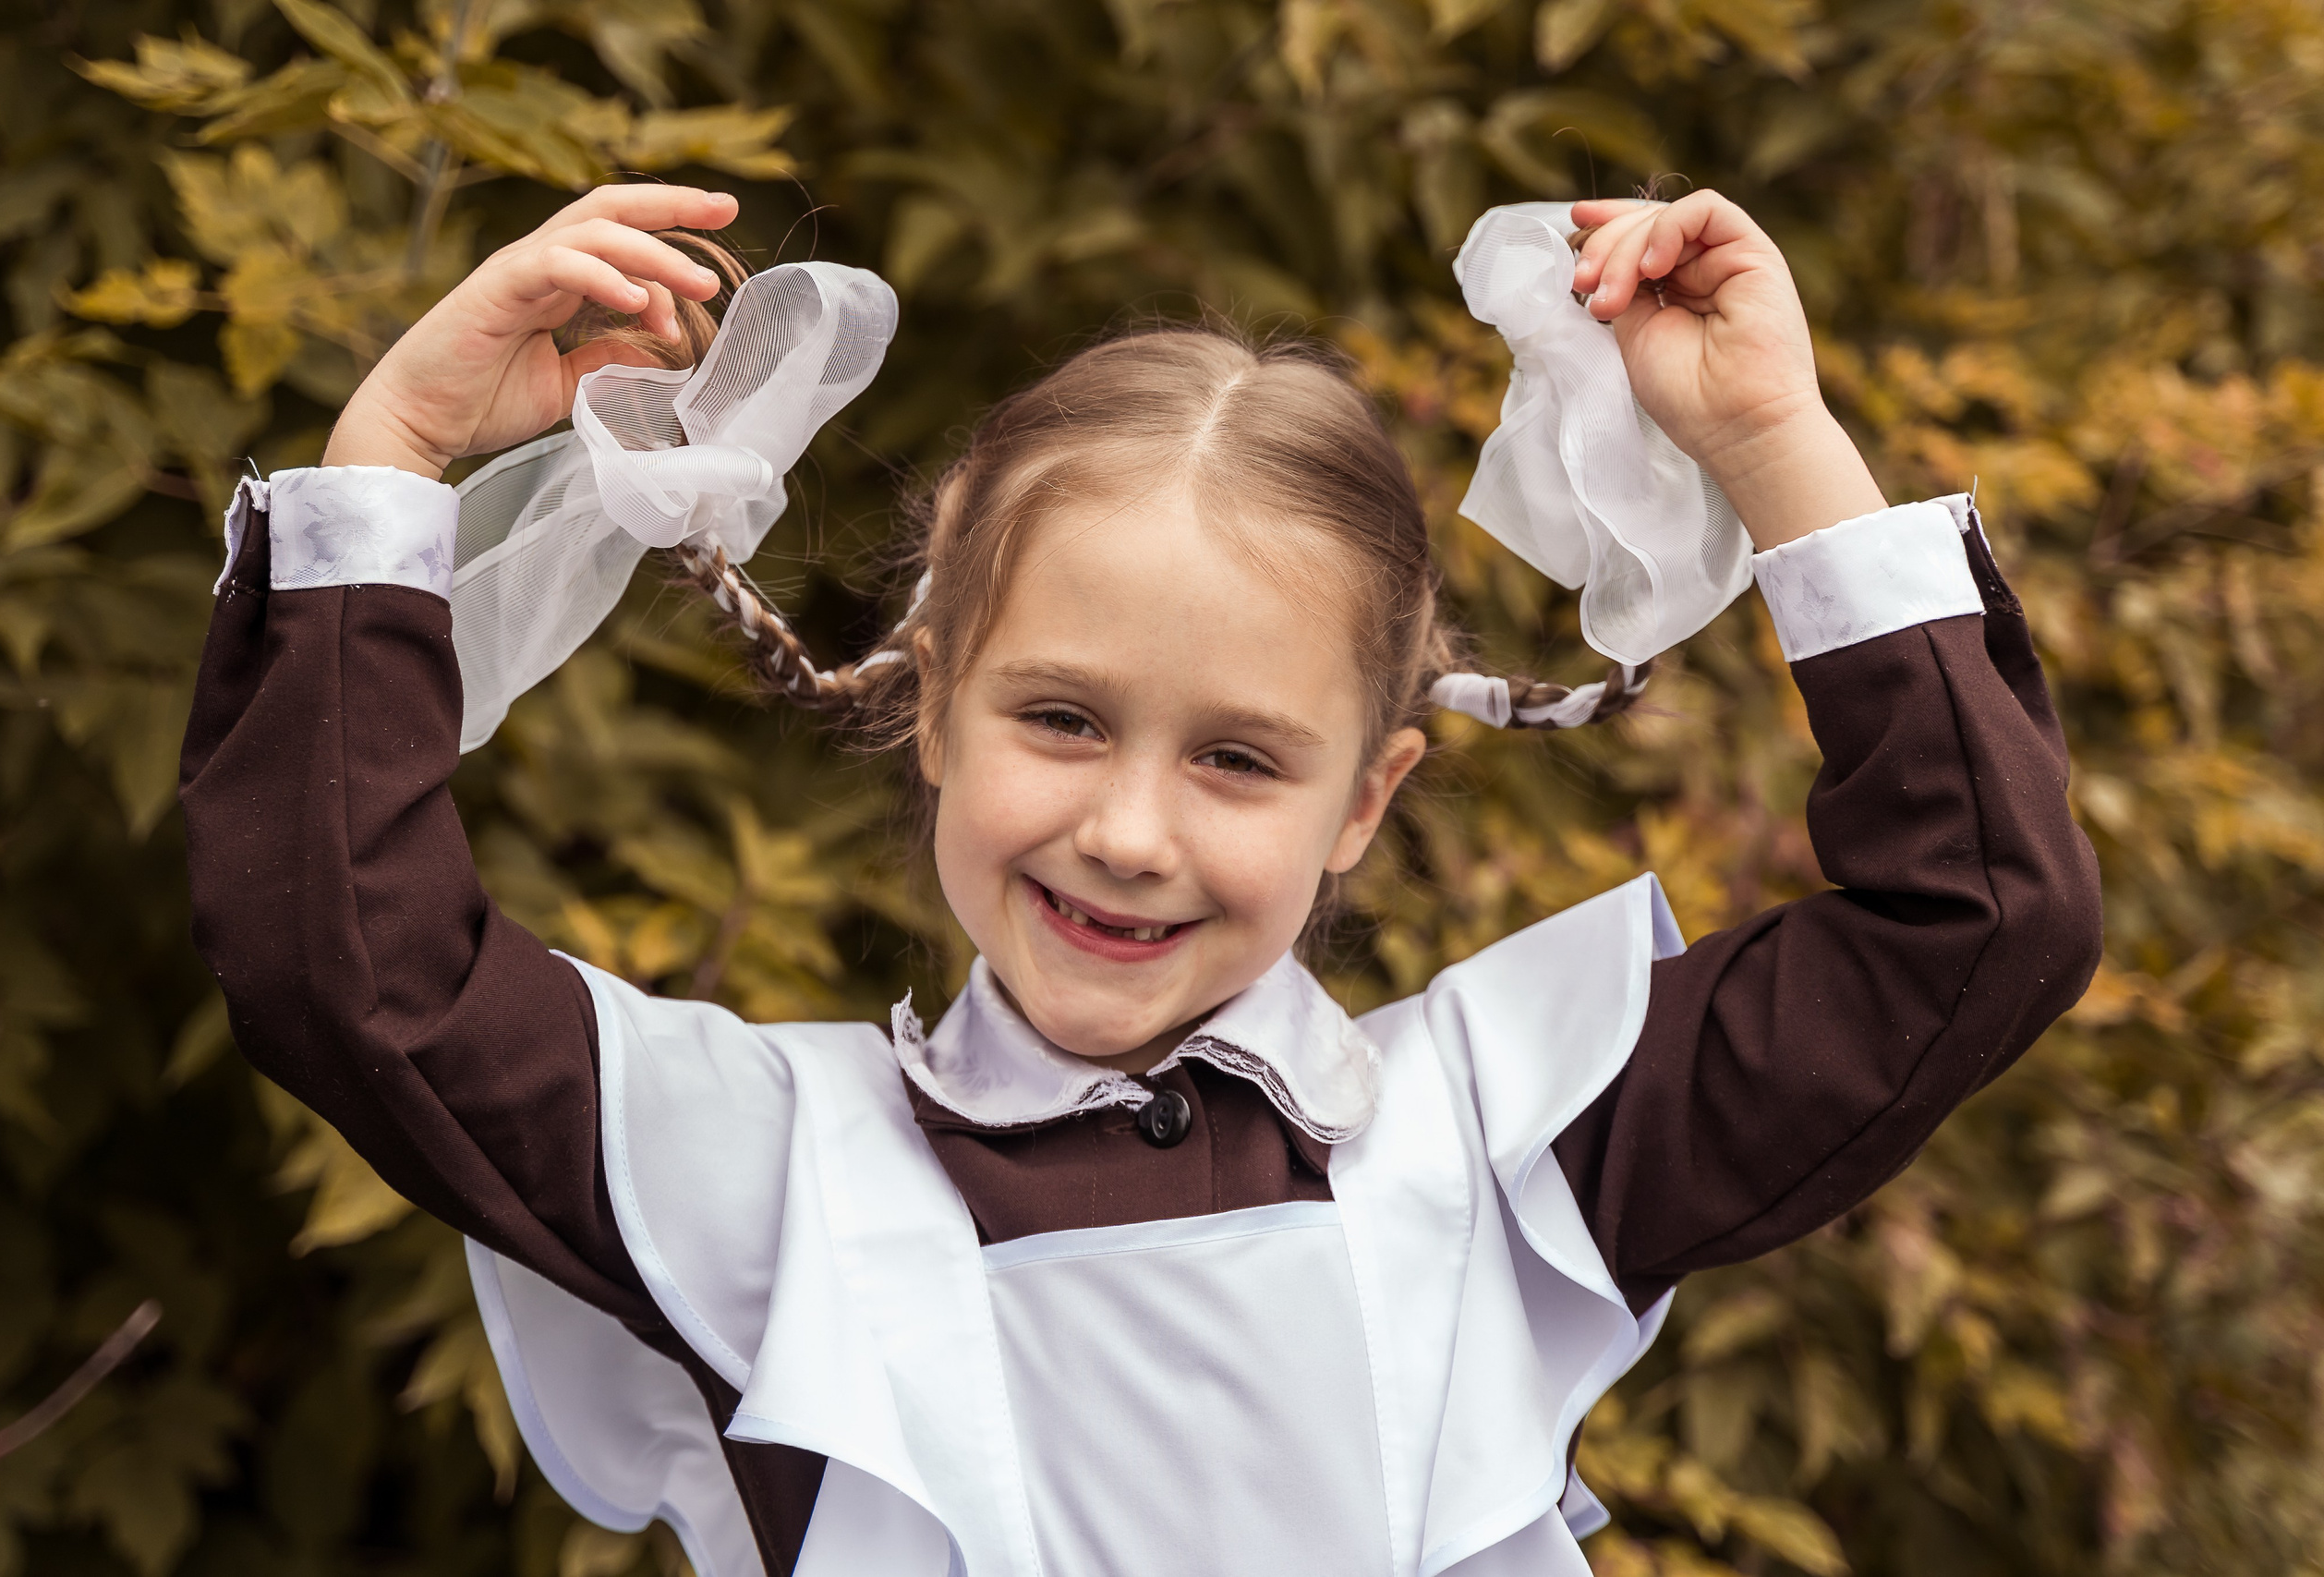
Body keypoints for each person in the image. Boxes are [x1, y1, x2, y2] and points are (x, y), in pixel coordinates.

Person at [180, 182, 2101, 1577]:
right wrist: (398, 453)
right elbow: (349, 966)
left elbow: (1978, 921)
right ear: (930, 708)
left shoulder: (1507, 1137)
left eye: (1238, 756)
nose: (1128, 828)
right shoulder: (769, 1168)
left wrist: (1774, 448)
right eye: (1061, 719)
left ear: (1369, 797)